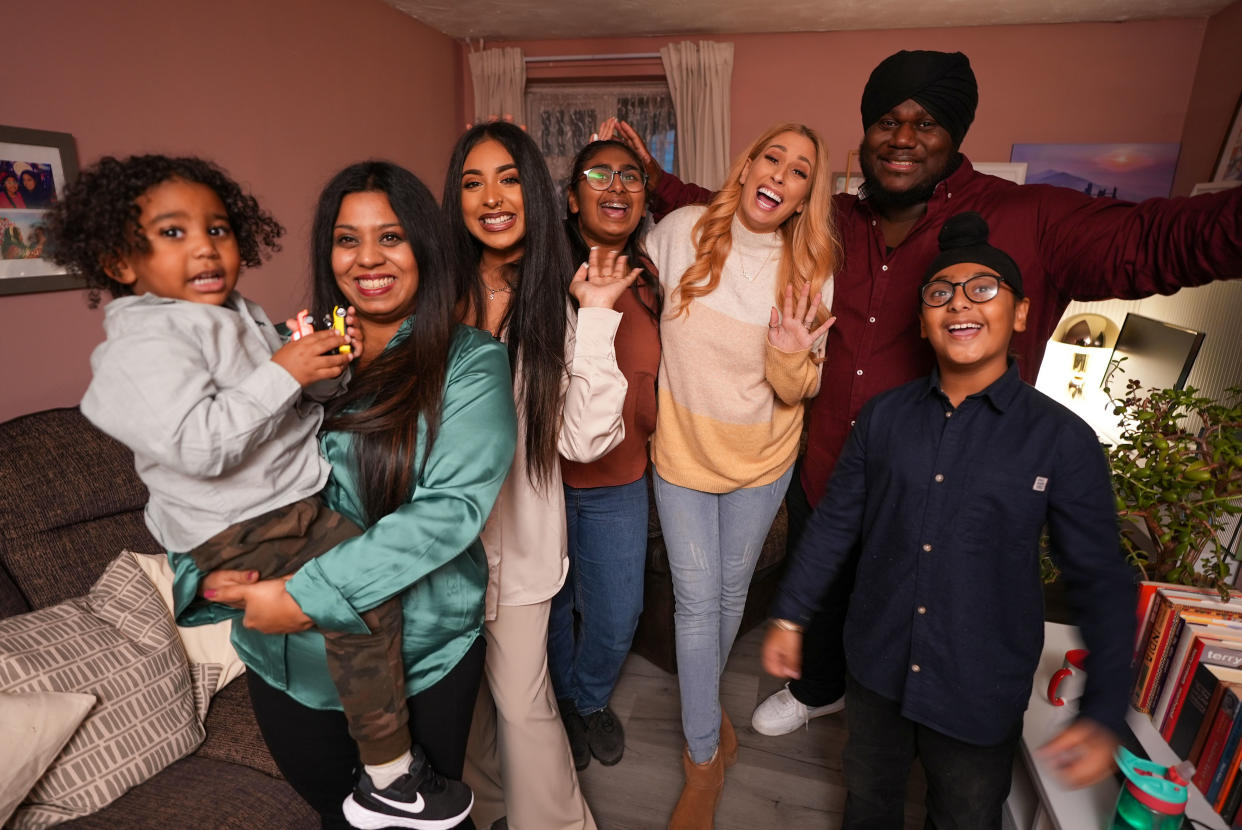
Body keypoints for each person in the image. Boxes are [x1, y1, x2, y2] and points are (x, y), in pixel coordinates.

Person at [605, 48, 1242, 738]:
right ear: (865, 133)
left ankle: (916, 732)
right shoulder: (832, 222)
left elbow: (1161, 239)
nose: (903, 138)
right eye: (886, 120)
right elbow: (738, 218)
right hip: (826, 464)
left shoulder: (1028, 218)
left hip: (941, 483)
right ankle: (818, 690)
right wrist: (655, 180)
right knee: (822, 591)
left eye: (927, 122)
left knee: (919, 617)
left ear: (956, 133)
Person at [169, 161, 514, 830]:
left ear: (425, 247)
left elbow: (450, 513)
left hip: (420, 652)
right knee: (341, 818)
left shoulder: (471, 363)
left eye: (391, 237)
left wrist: (301, 595)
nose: (368, 259)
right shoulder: (280, 353)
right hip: (286, 664)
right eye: (347, 239)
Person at [763, 211, 1137, 827]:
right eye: (940, 293)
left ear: (1020, 313)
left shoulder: (1062, 440)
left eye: (983, 288)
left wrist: (1102, 711)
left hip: (979, 684)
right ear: (922, 320)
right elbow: (834, 526)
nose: (959, 304)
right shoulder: (883, 419)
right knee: (868, 801)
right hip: (877, 666)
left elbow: (1099, 577)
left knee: (964, 815)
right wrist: (790, 613)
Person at [643, 122, 838, 830]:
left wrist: (790, 353)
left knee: (727, 594)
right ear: (748, 163)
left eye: (799, 173)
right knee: (697, 604)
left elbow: (799, 390)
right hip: (684, 453)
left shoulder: (811, 265)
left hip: (762, 459)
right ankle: (702, 757)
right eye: (773, 158)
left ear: (803, 198)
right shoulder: (682, 230)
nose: (780, 176)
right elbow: (617, 271)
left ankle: (703, 713)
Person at [444, 122, 634, 830]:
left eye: (508, 178)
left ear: (535, 189)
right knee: (464, 708)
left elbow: (584, 440)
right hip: (433, 548)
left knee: (524, 705)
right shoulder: (436, 296)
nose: (492, 197)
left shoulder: (557, 303)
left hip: (517, 549)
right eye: (472, 181)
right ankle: (491, 806)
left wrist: (598, 319)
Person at [549, 137, 662, 771]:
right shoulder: (544, 275)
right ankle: (564, 703)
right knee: (555, 606)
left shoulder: (652, 276)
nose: (616, 186)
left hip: (622, 479)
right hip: (544, 480)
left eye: (630, 176)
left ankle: (590, 699)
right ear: (571, 197)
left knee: (619, 613)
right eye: (599, 174)